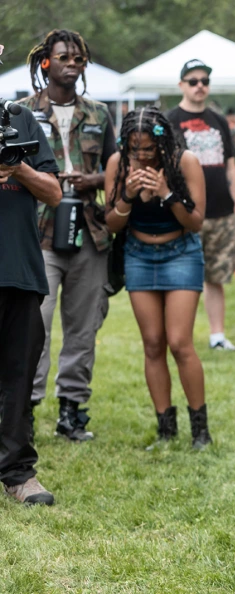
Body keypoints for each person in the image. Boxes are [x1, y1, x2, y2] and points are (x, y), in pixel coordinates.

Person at [18, 29, 117, 442]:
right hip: (36, 233)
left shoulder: (98, 113)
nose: (72, 64)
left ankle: (72, 413)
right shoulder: (20, 111)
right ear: (46, 62)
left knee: (82, 328)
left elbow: (116, 168)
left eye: (79, 59)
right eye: (64, 57)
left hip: (89, 233)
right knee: (32, 327)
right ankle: (24, 410)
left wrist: (92, 178)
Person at [103, 107, 213, 449]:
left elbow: (196, 222)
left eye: (148, 148)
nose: (142, 156)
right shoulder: (117, 164)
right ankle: (166, 428)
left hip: (180, 252)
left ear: (161, 142)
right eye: (135, 149)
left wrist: (166, 192)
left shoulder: (185, 161)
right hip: (138, 255)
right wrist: (128, 196)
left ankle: (201, 432)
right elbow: (111, 222)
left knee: (180, 342)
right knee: (152, 343)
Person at [0, 101, 63, 505]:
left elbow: (54, 193)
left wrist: (17, 167)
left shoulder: (19, 117)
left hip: (19, 269)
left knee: (19, 377)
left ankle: (18, 473)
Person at [166, 59, 235, 351]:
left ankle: (217, 336)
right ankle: (182, 336)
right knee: (185, 277)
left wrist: (234, 203)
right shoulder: (171, 120)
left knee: (216, 277)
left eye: (204, 81)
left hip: (222, 211)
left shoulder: (219, 119)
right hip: (186, 213)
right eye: (193, 81)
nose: (200, 86)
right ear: (181, 84)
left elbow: (231, 165)